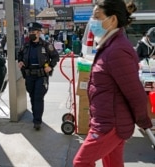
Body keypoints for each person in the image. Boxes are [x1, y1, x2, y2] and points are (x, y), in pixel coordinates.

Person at [73, 1, 153, 167]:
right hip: (110, 120)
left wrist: (144, 122)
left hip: (110, 124)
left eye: (97, 17)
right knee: (112, 164)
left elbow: (134, 92)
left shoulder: (117, 50)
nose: (92, 21)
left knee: (81, 162)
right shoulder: (111, 45)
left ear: (112, 20)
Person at [17, 22, 59, 130]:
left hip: (42, 76)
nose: (31, 34)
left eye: (34, 32)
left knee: (38, 97)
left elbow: (55, 57)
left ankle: (37, 121)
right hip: (29, 75)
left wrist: (50, 66)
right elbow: (20, 56)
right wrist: (20, 62)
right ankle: (36, 115)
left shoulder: (46, 45)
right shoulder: (26, 45)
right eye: (30, 32)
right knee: (32, 96)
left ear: (39, 32)